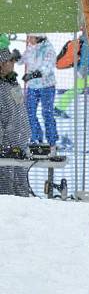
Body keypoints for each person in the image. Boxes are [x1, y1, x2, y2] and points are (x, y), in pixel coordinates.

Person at [0, 46, 31, 196]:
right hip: (6, 149)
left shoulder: (13, 83)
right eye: (9, 61)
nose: (13, 63)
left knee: (22, 189)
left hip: (20, 146)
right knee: (6, 192)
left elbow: (20, 114)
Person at [20, 33, 58, 150]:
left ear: (38, 37)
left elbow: (47, 68)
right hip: (32, 87)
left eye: (31, 37)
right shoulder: (31, 48)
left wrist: (32, 75)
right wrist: (15, 57)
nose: (29, 40)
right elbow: (23, 59)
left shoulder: (48, 49)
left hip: (46, 86)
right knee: (29, 113)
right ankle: (35, 138)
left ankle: (52, 141)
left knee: (47, 113)